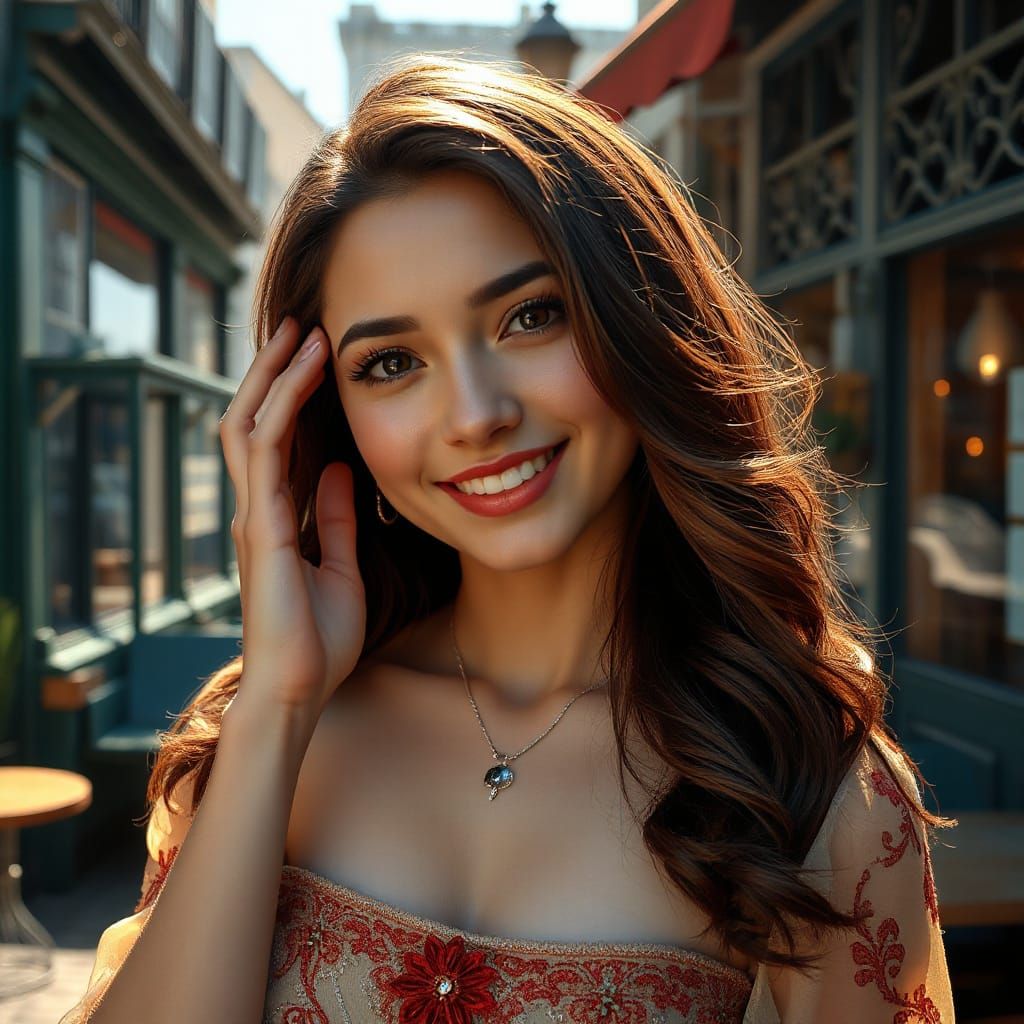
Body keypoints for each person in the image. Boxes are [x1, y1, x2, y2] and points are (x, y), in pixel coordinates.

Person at [60, 54, 956, 1024]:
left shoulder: (812, 792)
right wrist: (277, 710)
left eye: (530, 315)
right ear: (325, 412)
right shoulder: (266, 726)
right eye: (392, 362)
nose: (475, 413)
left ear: (639, 318)